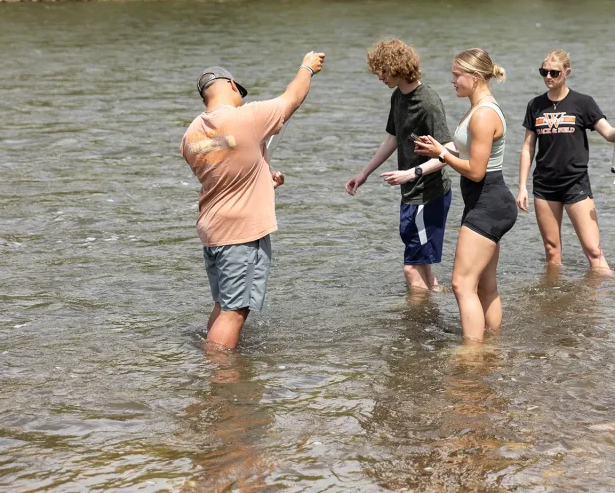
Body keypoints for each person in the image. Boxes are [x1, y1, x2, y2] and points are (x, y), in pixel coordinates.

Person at [181, 54, 325, 349]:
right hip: (240, 235)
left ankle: (212, 364)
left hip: (213, 231)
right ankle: (222, 372)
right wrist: (307, 68)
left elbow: (225, 169)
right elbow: (293, 97)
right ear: (232, 86)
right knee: (235, 311)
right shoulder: (246, 117)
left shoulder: (190, 136)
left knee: (223, 305)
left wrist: (263, 179)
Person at [414, 49, 517, 342]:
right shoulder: (478, 108)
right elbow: (466, 152)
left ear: (474, 77)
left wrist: (442, 154)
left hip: (488, 203)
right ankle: (492, 344)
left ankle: (472, 352)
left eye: (456, 75)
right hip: (485, 202)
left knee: (461, 283)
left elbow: (476, 171)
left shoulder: (483, 114)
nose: (452, 81)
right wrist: (437, 151)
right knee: (485, 284)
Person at [345, 38, 453, 294]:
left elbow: (449, 151)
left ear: (397, 67)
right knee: (423, 266)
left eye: (383, 70)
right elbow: (393, 139)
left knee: (411, 268)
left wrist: (410, 173)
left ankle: (416, 317)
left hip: (428, 195)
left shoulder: (428, 102)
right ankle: (435, 302)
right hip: (411, 193)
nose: (379, 76)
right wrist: (364, 173)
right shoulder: (397, 97)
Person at [516, 50, 615, 276]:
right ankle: (554, 294)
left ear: (567, 72)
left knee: (593, 250)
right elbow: (528, 148)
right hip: (545, 185)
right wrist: (522, 187)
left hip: (575, 183)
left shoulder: (583, 103)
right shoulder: (535, 105)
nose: (548, 77)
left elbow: (609, 135)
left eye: (554, 73)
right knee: (552, 251)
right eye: (544, 72)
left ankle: (609, 292)